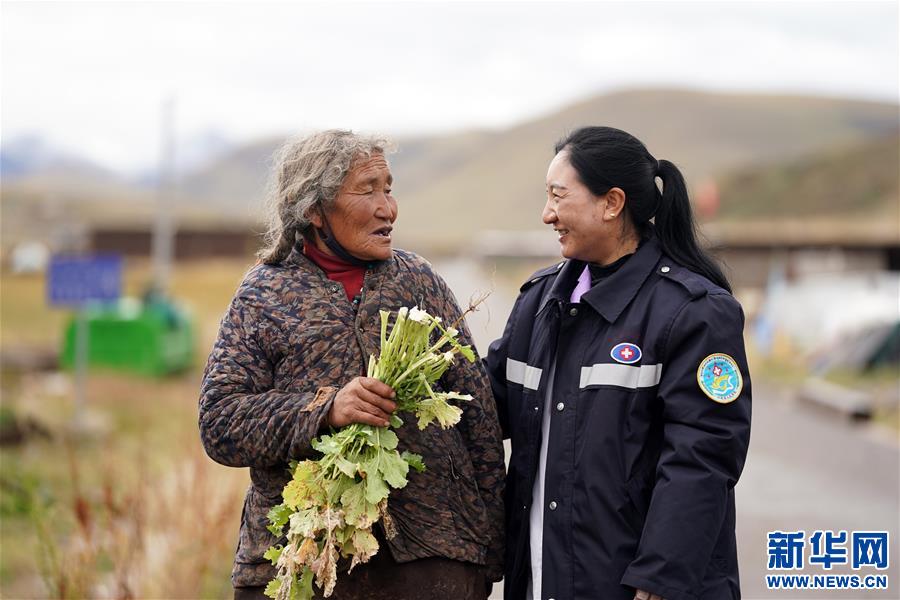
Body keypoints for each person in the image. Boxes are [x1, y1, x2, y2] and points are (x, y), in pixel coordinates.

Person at [199, 130, 505, 600]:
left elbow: (478, 418)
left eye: (389, 187)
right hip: (300, 561)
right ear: (313, 210)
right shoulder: (264, 294)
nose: (389, 207)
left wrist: (491, 549)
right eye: (368, 190)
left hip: (431, 560)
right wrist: (325, 409)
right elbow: (220, 423)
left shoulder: (418, 282)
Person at [485, 126, 752, 600]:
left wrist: (660, 576)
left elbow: (703, 455)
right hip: (542, 580)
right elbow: (487, 408)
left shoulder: (692, 311)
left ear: (612, 203)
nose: (547, 214)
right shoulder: (539, 303)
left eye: (558, 196)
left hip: (637, 585)